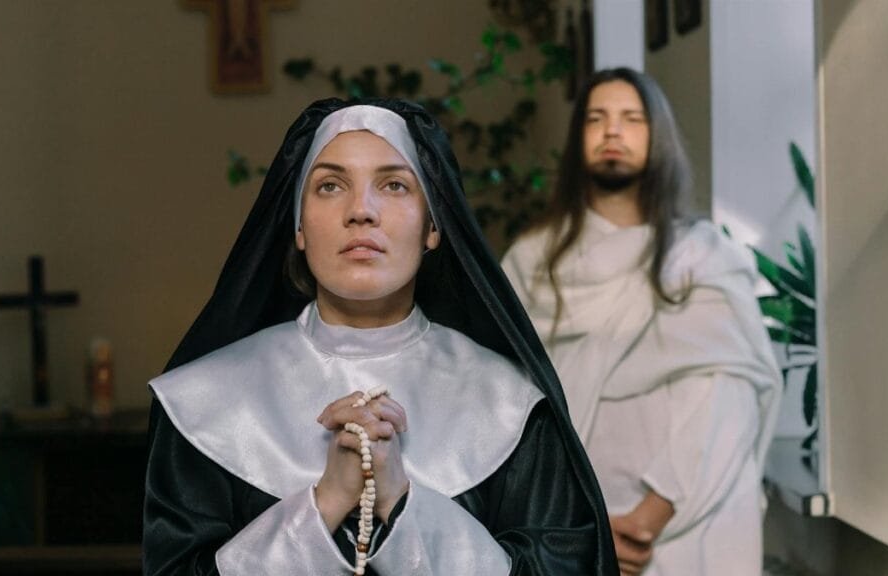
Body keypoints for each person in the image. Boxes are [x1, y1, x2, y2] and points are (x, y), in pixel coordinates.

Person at [143, 99, 621, 575]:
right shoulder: (204, 403)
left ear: (433, 225)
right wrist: (326, 502)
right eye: (330, 186)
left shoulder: (511, 405)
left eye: (394, 185)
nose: (361, 211)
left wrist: (400, 498)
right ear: (298, 227)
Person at [502, 68, 782, 576]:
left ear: (658, 137)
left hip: (691, 522)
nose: (613, 131)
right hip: (569, 523)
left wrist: (648, 517)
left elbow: (729, 393)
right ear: (577, 137)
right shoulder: (532, 259)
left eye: (631, 118)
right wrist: (581, 525)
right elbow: (507, 396)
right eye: (597, 118)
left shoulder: (704, 257)